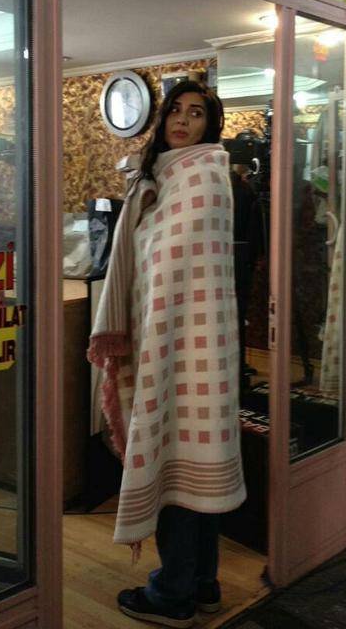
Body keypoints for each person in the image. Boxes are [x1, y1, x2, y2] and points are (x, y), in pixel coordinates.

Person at [87, 80, 246, 628]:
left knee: (174, 462)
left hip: (184, 344)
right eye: (175, 110)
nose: (182, 120)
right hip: (184, 342)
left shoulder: (204, 177)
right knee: (193, 464)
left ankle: (173, 595)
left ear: (210, 124)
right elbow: (156, 265)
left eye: (196, 113)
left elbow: (177, 268)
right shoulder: (158, 179)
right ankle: (202, 584)